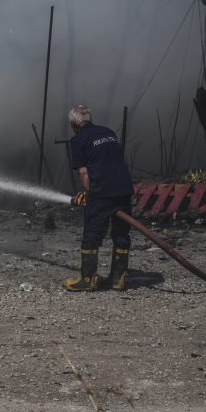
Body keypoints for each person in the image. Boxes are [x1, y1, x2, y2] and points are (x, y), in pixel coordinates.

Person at [65, 105, 134, 292]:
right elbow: (110, 160)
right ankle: (118, 280)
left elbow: (83, 172)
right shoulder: (108, 132)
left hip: (102, 192)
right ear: (89, 118)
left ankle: (87, 279)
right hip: (124, 188)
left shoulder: (78, 140)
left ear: (74, 124)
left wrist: (88, 194)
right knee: (121, 234)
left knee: (92, 236)